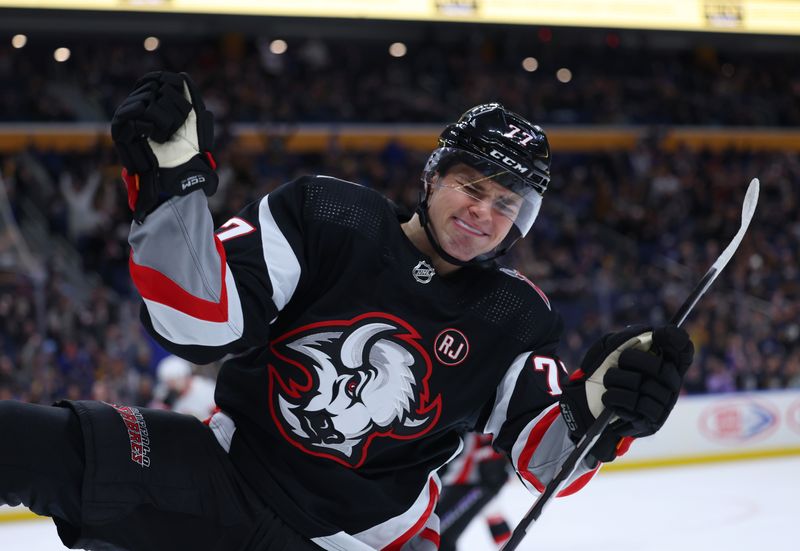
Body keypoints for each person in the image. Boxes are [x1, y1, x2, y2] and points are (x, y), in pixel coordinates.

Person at [0, 72, 694, 551]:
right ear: (434, 176)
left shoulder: (516, 315)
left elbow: (547, 460)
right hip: (220, 474)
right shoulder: (327, 216)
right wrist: (173, 193)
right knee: (29, 443)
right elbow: (197, 322)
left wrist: (604, 411)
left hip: (360, 542)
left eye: (506, 203)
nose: (483, 212)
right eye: (470, 185)